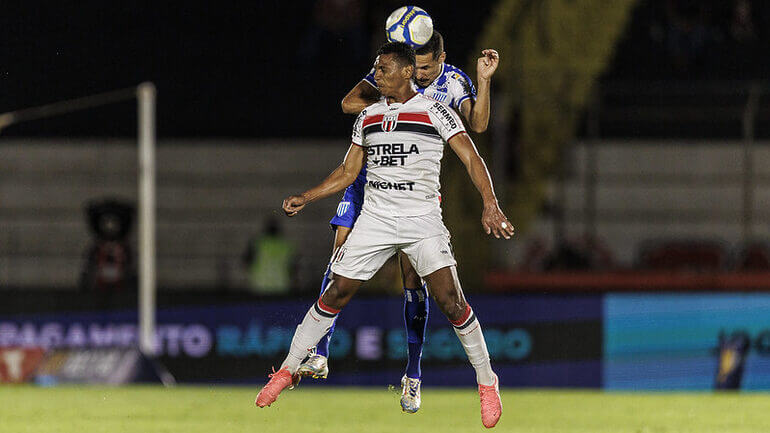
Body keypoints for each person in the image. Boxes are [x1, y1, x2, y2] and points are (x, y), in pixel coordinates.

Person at [256, 42, 512, 429]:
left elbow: (471, 157)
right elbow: (347, 172)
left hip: (421, 217)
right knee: (335, 291)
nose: (376, 75)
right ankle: (287, 370)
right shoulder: (369, 117)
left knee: (451, 301)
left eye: (383, 69)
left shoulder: (434, 111)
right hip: (377, 217)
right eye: (375, 69)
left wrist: (490, 203)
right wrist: (307, 196)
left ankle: (487, 382)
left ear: (407, 72)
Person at [242, 217, 295, 294]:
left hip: (259, 285)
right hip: (281, 286)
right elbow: (293, 267)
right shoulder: (286, 245)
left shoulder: (257, 243)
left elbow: (246, 261)